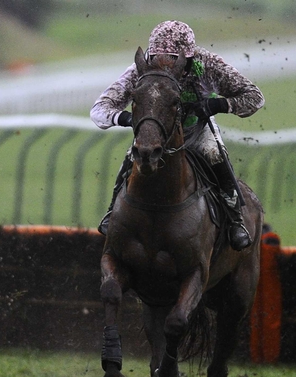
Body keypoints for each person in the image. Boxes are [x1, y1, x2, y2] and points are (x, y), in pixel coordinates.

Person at [90, 20, 264, 251]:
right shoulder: (140, 71)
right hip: (156, 136)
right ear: (150, 57)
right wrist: (128, 119)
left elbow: (254, 97)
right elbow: (99, 109)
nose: (164, 66)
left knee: (215, 154)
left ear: (188, 59)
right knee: (132, 157)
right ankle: (113, 212)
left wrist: (217, 105)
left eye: (172, 61)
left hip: (197, 131)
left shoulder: (209, 65)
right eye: (158, 60)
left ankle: (235, 221)